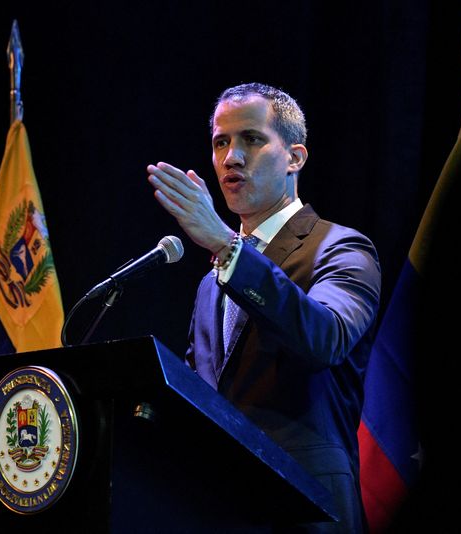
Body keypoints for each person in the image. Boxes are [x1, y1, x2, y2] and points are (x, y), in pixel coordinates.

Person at [146, 82, 381, 532]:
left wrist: (226, 247)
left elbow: (324, 338)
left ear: (295, 158)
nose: (231, 158)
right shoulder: (210, 286)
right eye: (221, 142)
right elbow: (203, 401)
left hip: (308, 509)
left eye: (251, 139)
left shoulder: (341, 247)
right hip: (220, 510)